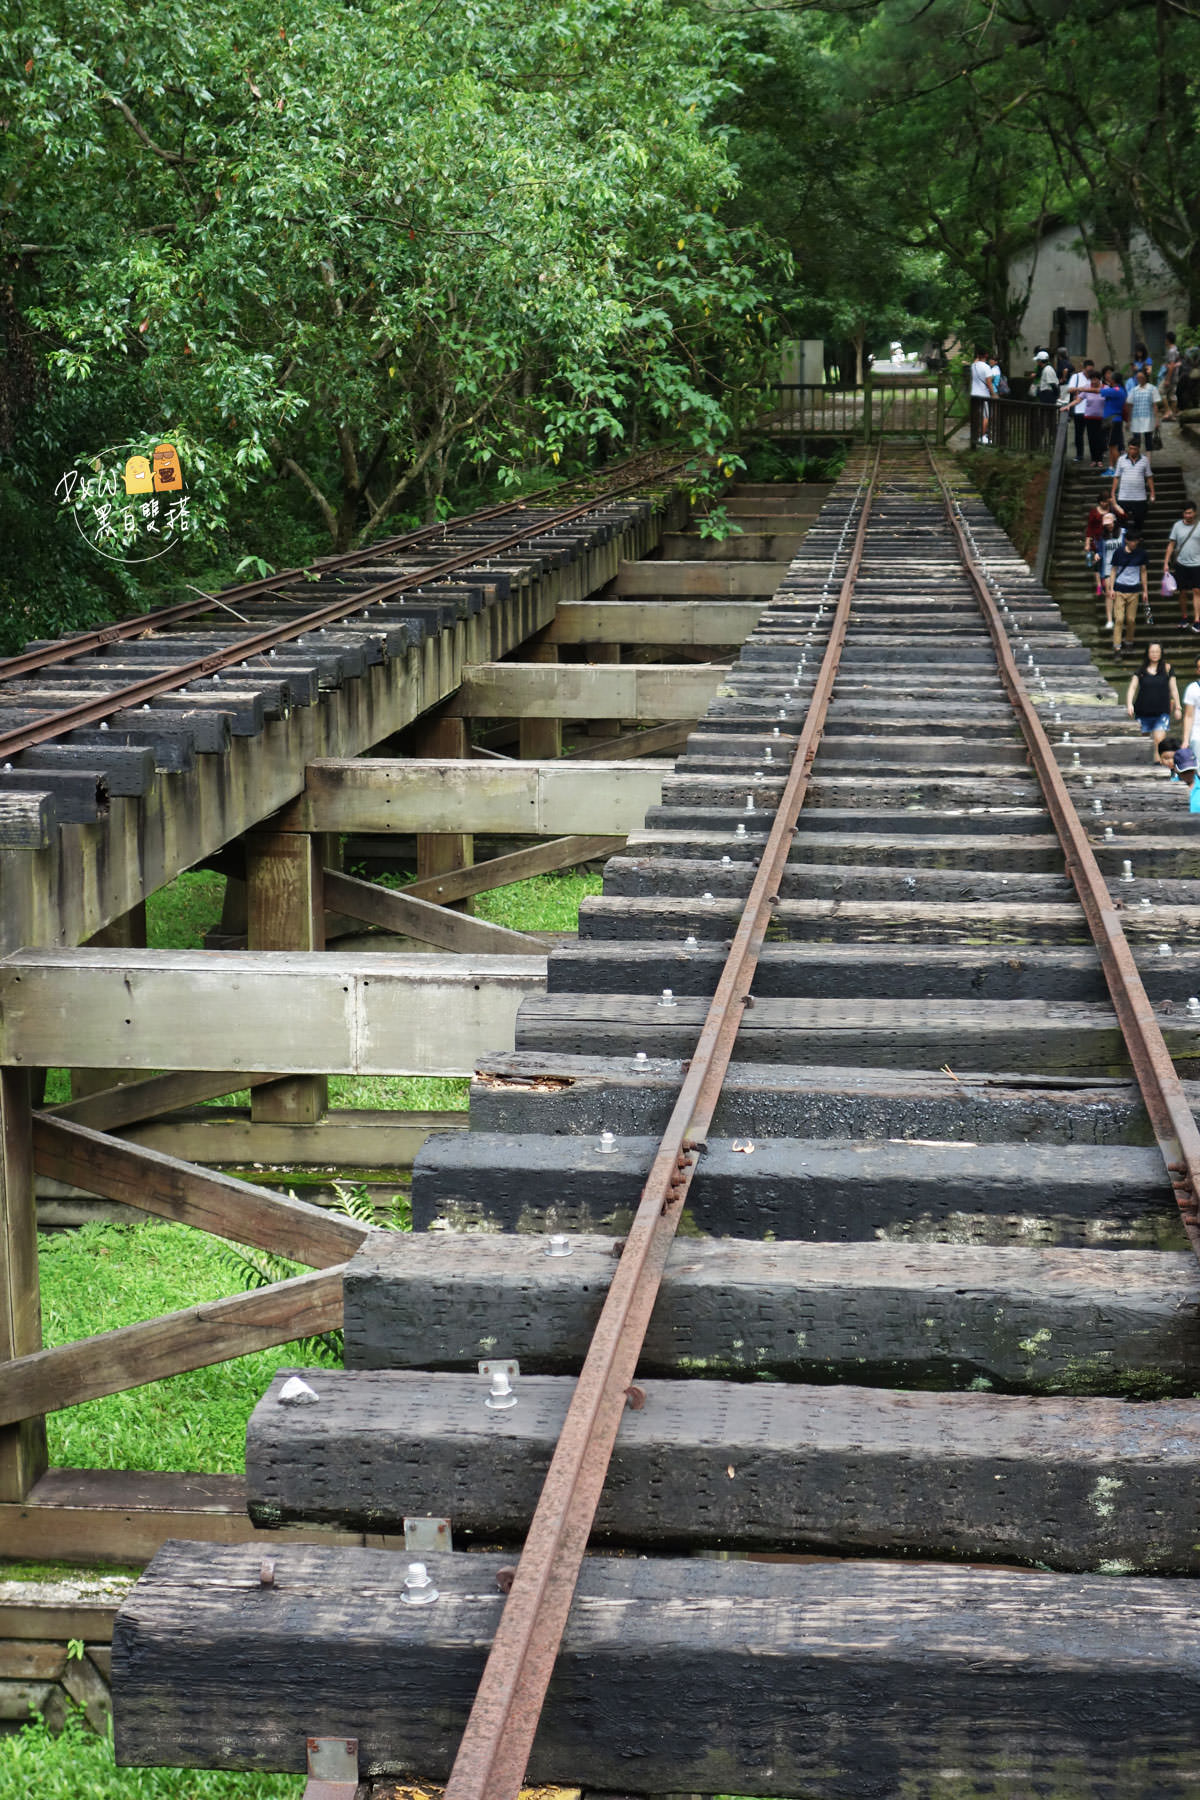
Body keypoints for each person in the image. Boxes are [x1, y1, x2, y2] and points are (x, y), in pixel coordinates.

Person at [1125, 642, 1181, 757]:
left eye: (1157, 651)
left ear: (1161, 653)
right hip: (1142, 711)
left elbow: (1174, 689)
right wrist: (1129, 704)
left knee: (1159, 741)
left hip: (1161, 712)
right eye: (1152, 651)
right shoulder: (1141, 670)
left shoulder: (1168, 669)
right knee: (1143, 741)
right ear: (1147, 653)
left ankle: (1158, 765)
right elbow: (1133, 687)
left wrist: (1178, 707)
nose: (1154, 654)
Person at [1109, 526, 1149, 656]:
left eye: (1136, 541)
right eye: (1132, 541)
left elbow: (1143, 571)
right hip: (1120, 589)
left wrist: (1145, 591)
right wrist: (1111, 588)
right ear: (1126, 540)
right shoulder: (1118, 552)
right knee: (1119, 619)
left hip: (1134, 590)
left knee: (1131, 619)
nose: (1134, 543)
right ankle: (1117, 647)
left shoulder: (1141, 553)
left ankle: (1129, 641)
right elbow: (1113, 570)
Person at [1165, 500, 1200, 632]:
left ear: (1194, 512)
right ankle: (1184, 617)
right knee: (1182, 592)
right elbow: (1171, 545)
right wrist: (1165, 563)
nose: (1188, 515)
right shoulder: (1177, 526)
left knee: (1197, 591)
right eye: (1186, 513)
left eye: (1190, 513)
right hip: (1181, 564)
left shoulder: (1199, 526)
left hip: (1197, 564)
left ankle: (1197, 620)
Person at [1109, 441, 1155, 536]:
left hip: (1140, 497)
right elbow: (1116, 476)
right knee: (1121, 520)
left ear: (1138, 449)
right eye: (1130, 448)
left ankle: (1137, 538)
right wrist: (1113, 493)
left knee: (1139, 519)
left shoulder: (1144, 460)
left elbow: (1149, 477)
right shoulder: (1121, 459)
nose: (1132, 451)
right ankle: (1123, 538)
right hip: (1124, 496)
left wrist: (1152, 493)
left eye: (1134, 449)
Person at [1062, 357, 1095, 461]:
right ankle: (1079, 455)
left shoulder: (1094, 378)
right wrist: (1080, 389)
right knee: (1078, 434)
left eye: (1091, 370)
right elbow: (1069, 389)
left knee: (1093, 434)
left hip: (1092, 410)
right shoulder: (1076, 377)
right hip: (1079, 409)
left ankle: (1095, 456)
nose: (1090, 372)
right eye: (1088, 370)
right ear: (1083, 369)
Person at [1095, 511, 1123, 627]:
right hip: (1107, 567)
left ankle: (1119, 617)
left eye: (1110, 523)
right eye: (1106, 524)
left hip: (1121, 568)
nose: (1109, 526)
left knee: (1120, 593)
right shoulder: (1102, 537)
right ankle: (1109, 619)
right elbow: (1101, 550)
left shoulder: (1123, 533)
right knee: (1108, 593)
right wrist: (1097, 554)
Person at [1126, 364, 1162, 451]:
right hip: (1136, 418)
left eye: (1141, 377)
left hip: (1148, 418)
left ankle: (1148, 461)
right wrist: (1128, 420)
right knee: (1136, 440)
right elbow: (1129, 405)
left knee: (1148, 440)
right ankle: (1136, 459)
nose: (1139, 379)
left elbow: (1154, 405)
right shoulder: (1134, 390)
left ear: (1146, 377)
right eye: (1138, 377)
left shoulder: (1152, 389)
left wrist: (1157, 420)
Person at [1099, 366, 1127, 470]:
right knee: (1112, 447)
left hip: (1113, 421)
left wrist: (1081, 389)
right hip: (1115, 421)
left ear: (1114, 380)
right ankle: (1111, 468)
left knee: (1112, 447)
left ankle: (1123, 469)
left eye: (1111, 377)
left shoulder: (1116, 390)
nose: (1109, 378)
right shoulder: (1120, 390)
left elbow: (1098, 391)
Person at [1081, 371, 1106, 468]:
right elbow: (1079, 398)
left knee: (1101, 439)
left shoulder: (1105, 388)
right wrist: (1069, 405)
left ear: (1099, 379)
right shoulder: (1087, 388)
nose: (1094, 381)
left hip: (1102, 418)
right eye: (1092, 379)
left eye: (1096, 379)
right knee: (1091, 439)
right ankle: (1093, 459)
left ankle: (1099, 459)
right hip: (1089, 417)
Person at [970, 348, 995, 441]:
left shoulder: (973, 366)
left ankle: (974, 435)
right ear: (986, 355)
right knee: (986, 416)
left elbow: (976, 362)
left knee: (975, 415)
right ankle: (982, 436)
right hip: (984, 395)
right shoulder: (986, 367)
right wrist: (993, 394)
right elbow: (989, 383)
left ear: (977, 355)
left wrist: (977, 358)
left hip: (974, 394)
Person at [1180, 657, 1200, 760]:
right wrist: (1185, 740)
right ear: (1197, 670)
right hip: (1197, 733)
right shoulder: (1193, 688)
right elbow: (1188, 716)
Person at [1170, 744, 1200, 811]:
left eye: (1191, 770)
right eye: (1185, 771)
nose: (1189, 774)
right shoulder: (1169, 787)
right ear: (1175, 768)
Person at [1163, 330, 1182, 420]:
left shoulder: (1171, 351)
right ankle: (1173, 415)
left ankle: (1168, 411)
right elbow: (1179, 362)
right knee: (1172, 395)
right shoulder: (1176, 349)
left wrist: (1167, 379)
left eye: (1165, 339)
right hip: (1176, 376)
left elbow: (1171, 366)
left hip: (1171, 376)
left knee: (1161, 391)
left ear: (1167, 340)